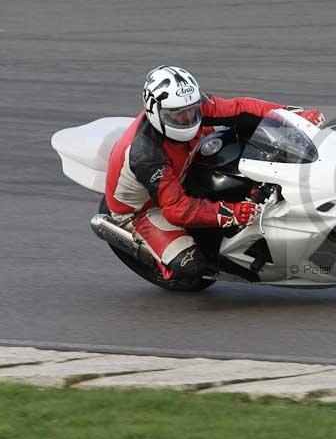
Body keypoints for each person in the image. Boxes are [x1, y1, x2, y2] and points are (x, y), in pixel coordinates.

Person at [104, 65, 324, 282]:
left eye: (192, 110)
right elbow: (175, 208)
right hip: (145, 208)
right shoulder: (147, 155)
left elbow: (240, 107)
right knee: (191, 267)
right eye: (178, 116)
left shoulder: (191, 106)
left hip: (182, 165)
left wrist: (292, 116)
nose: (188, 119)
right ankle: (158, 258)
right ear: (155, 113)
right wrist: (233, 213)